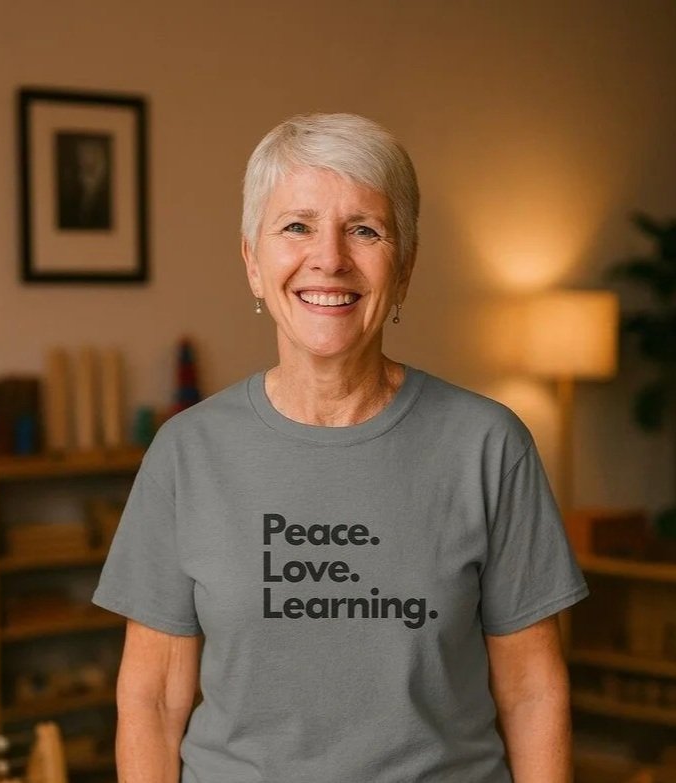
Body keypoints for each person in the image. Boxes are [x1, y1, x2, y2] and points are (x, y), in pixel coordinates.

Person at [92, 112, 588, 783]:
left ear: (404, 267)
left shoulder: (487, 446)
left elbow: (531, 691)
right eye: (296, 226)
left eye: (364, 230)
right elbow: (151, 700)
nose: (329, 258)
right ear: (252, 263)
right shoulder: (187, 452)